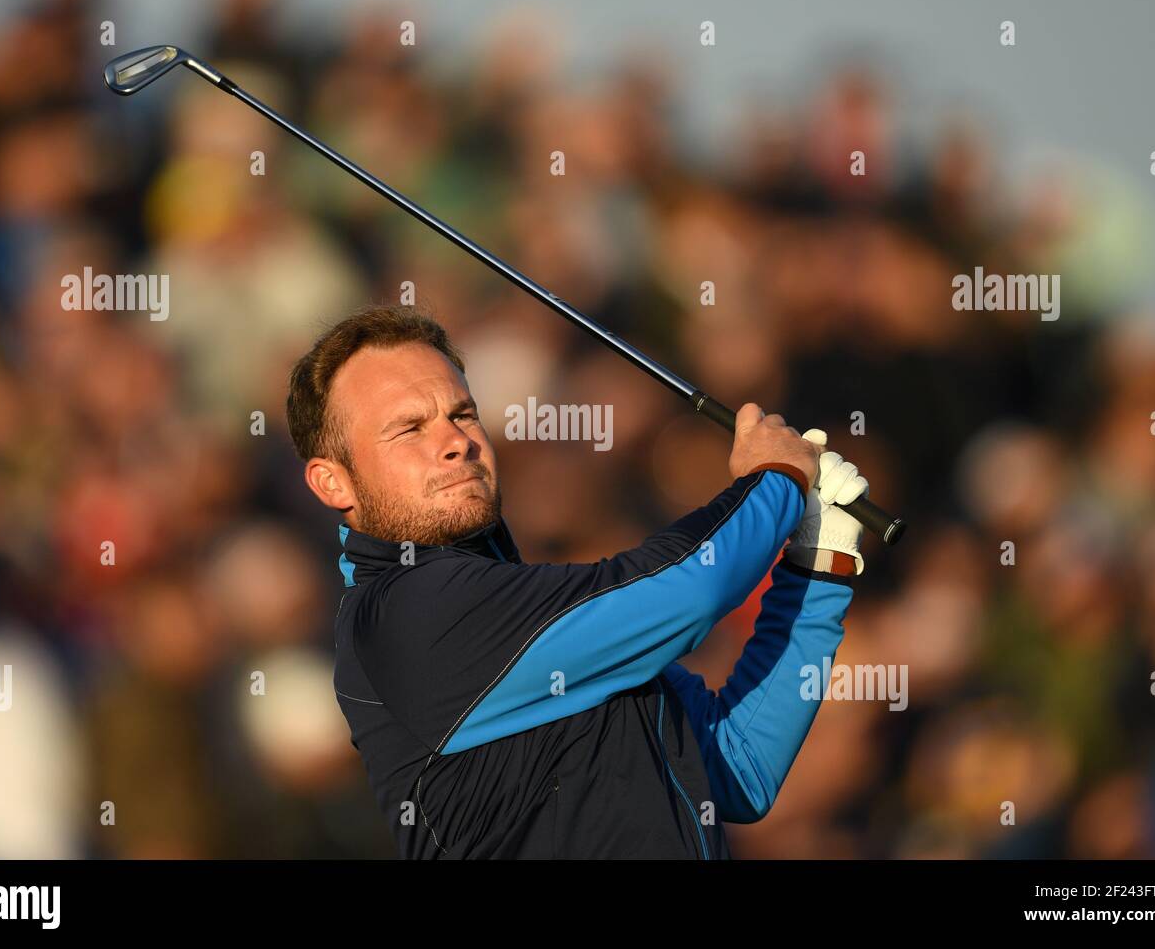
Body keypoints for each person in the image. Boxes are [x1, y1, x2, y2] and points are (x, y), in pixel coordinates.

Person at [286, 304, 870, 858]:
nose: (456, 442)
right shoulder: (402, 612)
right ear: (333, 484)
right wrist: (773, 479)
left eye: (462, 414)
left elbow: (736, 768)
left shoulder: (535, 619)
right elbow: (693, 587)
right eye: (409, 429)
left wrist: (817, 564)